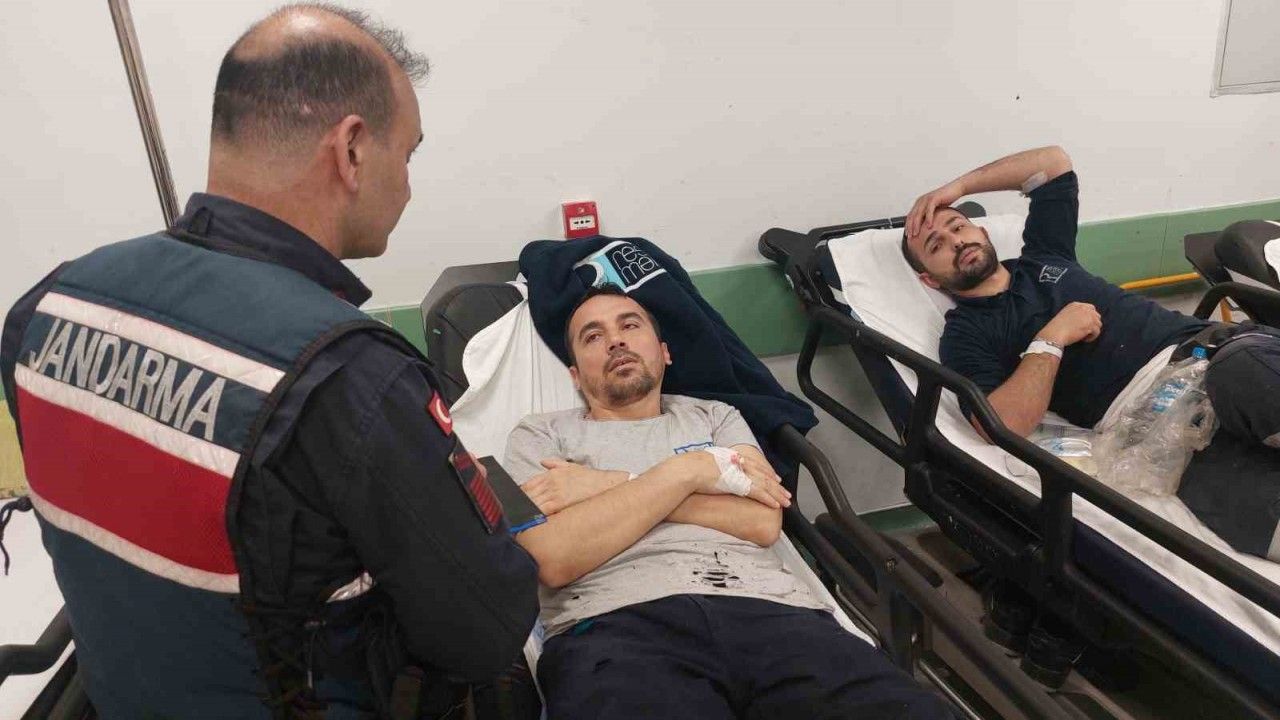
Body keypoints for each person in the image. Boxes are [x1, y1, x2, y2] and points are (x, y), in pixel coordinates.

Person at [0, 5, 538, 718]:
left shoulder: (46, 307)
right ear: (351, 151)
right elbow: (484, 632)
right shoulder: (349, 378)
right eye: (408, 155)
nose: (409, 186)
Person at [503, 285, 956, 719]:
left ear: (664, 352)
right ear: (575, 375)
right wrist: (694, 473)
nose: (616, 340)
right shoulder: (540, 435)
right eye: (593, 336)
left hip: (769, 611)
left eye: (630, 325)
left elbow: (761, 522)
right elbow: (554, 559)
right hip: (615, 626)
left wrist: (609, 486)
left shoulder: (716, 417)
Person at [899, 145, 1280, 448]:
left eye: (958, 226)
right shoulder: (966, 333)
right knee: (1245, 502)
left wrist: (957, 189)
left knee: (1243, 370)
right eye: (936, 245)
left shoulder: (1044, 253)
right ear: (929, 280)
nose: (956, 241)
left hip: (1210, 354)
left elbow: (1052, 163)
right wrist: (1050, 341)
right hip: (1154, 424)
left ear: (982, 233)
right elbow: (999, 425)